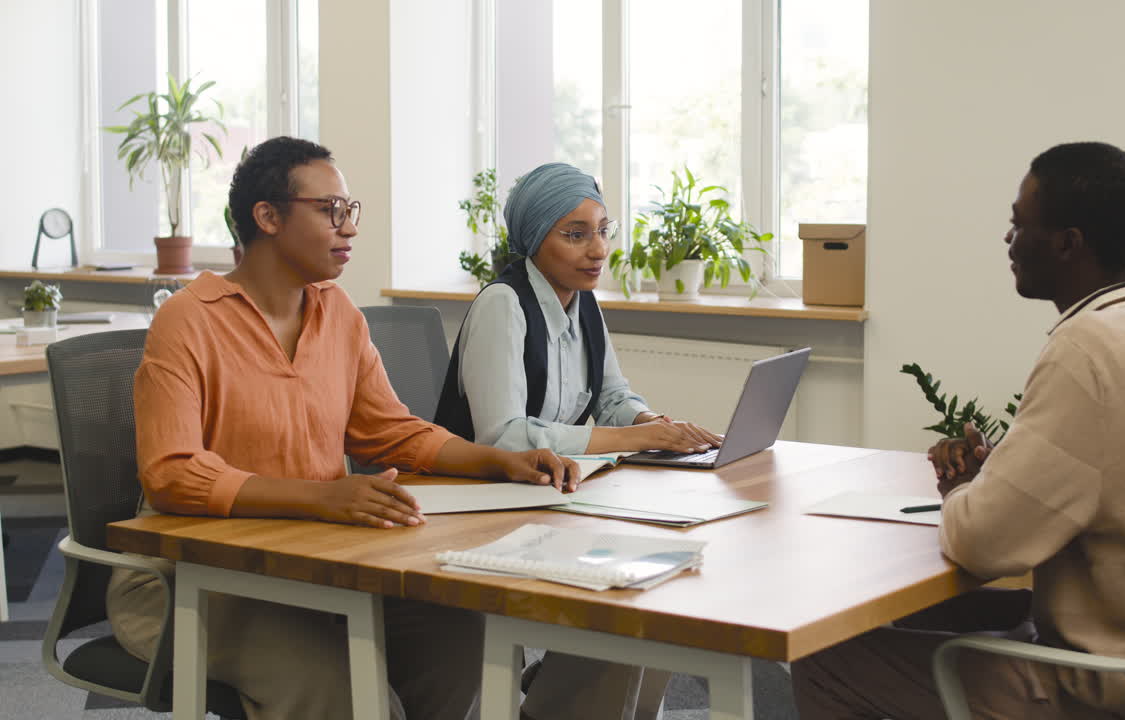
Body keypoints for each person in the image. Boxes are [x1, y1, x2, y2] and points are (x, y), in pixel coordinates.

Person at [106, 136, 580, 720]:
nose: (348, 227)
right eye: (330, 210)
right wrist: (322, 498)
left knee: (460, 637)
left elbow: (393, 433)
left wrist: (500, 459)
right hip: (195, 581)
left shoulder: (337, 313)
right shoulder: (188, 320)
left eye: (349, 210)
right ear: (268, 217)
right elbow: (171, 474)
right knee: (351, 697)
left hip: (319, 563)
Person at [791, 142, 1125, 719]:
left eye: (1019, 225)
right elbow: (1096, 476)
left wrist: (959, 493)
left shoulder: (1086, 350)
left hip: (1099, 683)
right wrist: (995, 479)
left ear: (1068, 243)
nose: (1008, 240)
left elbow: (983, 545)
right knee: (925, 619)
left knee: (826, 655)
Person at [433, 162, 720, 720]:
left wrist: (651, 423)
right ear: (535, 238)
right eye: (576, 234)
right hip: (482, 508)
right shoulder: (504, 304)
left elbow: (613, 396)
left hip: (551, 499)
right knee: (636, 586)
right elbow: (505, 435)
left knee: (661, 585)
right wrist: (635, 437)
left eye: (604, 231)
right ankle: (559, 701)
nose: (598, 250)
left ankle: (570, 694)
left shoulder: (581, 301)